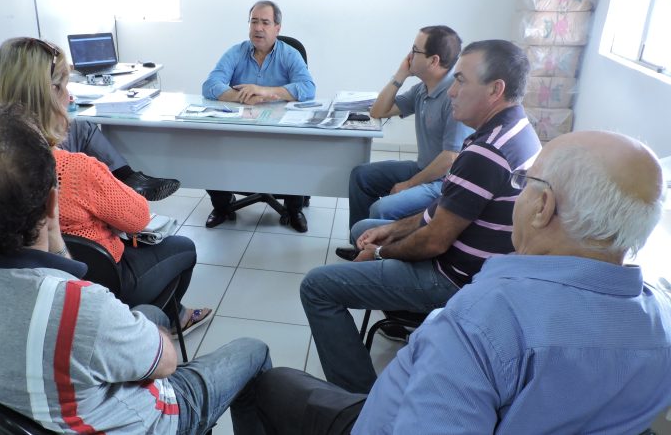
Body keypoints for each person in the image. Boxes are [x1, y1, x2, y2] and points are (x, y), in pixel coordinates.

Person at [256, 130, 671, 434]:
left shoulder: (483, 322)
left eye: (525, 184)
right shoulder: (662, 325)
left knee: (267, 384)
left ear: (543, 206)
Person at [0, 104, 272, 434]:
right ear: (51, 203)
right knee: (253, 351)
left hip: (32, 411)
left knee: (151, 313)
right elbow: (166, 363)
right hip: (147, 422)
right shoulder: (80, 307)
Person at [301, 39, 542, 394]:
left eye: (461, 81)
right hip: (481, 262)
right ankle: (398, 305)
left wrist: (381, 252)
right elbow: (447, 208)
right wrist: (392, 231)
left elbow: (434, 240)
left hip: (457, 279)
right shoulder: (518, 128)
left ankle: (356, 400)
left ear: (496, 90)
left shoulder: (486, 153)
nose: (453, 91)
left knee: (317, 287)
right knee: (368, 227)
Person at [0, 37, 211, 335]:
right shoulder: (73, 167)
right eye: (65, 86)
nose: (69, 96)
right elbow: (137, 218)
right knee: (182, 247)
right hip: (99, 280)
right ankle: (167, 321)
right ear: (51, 93)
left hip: (32, 288)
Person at [0, 30, 179, 201]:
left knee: (79, 126)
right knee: (74, 127)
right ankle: (127, 183)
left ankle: (129, 179)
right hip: (35, 172)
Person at [336, 26, 472, 261]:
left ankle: (379, 257)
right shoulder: (422, 89)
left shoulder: (453, 96)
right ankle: (361, 247)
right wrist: (400, 76)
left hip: (443, 182)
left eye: (415, 50)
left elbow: (450, 157)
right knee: (361, 176)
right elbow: (378, 111)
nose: (409, 56)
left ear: (433, 60)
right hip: (424, 167)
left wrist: (409, 184)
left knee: (382, 208)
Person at [201, 0, 316, 233]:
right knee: (208, 148)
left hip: (281, 129)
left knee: (299, 150)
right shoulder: (236, 52)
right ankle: (223, 206)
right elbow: (210, 85)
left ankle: (294, 209)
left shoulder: (289, 54)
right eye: (254, 22)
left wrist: (266, 91)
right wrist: (242, 96)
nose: (258, 28)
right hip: (240, 127)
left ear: (277, 28)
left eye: (265, 22)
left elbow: (308, 88)